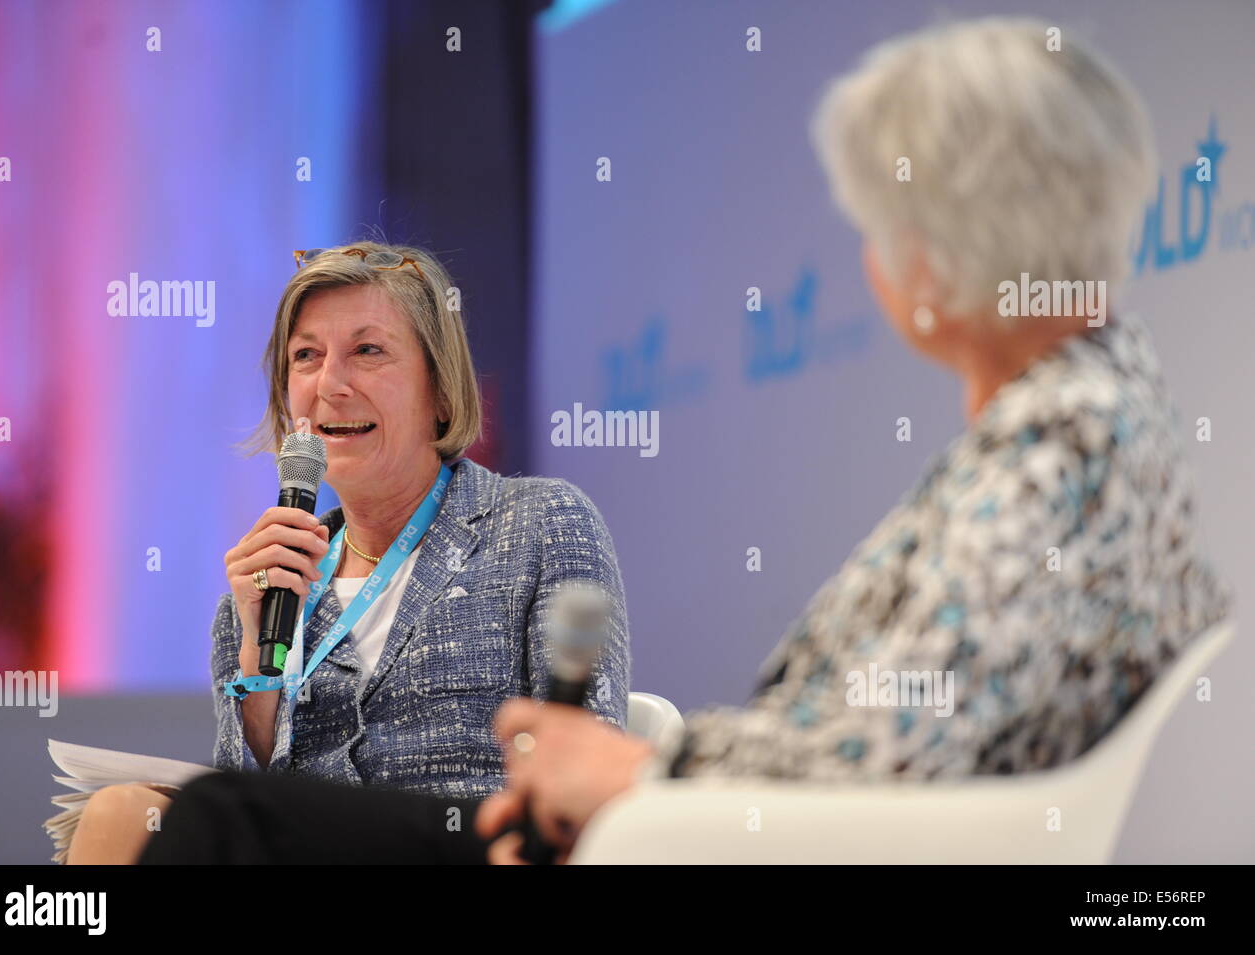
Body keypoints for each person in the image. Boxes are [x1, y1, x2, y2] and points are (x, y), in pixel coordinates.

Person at [138, 17, 1230, 865]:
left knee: (222, 828)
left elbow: (887, 750)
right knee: (172, 821)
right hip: (709, 825)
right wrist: (255, 670)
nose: (870, 256)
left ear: (937, 256)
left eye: (878, 225)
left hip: (693, 841)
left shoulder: (1059, 453)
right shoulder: (1073, 428)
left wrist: (648, 764)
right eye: (304, 359)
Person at [65, 242, 630, 864]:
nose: (329, 384)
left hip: (474, 844)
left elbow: (587, 764)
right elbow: (246, 790)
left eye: (367, 351)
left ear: (440, 392)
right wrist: (256, 654)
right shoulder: (266, 583)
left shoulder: (536, 523)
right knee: (118, 814)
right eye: (306, 356)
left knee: (210, 813)